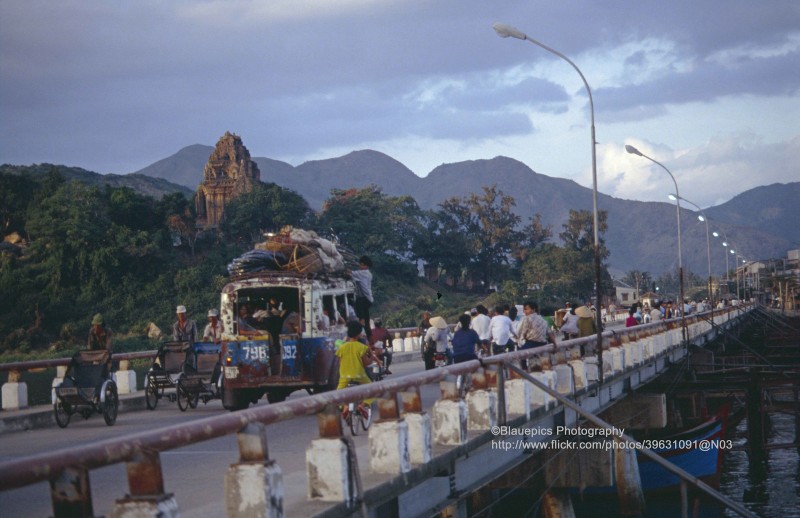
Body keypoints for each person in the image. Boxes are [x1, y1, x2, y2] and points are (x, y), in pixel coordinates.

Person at [336, 321, 379, 414]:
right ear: (359, 334)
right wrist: (372, 358)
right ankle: (362, 405)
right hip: (359, 375)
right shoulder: (361, 347)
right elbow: (366, 363)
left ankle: (344, 407)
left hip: (344, 376)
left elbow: (340, 362)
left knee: (337, 395)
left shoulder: (342, 347)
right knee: (373, 390)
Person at [350, 255, 374, 339]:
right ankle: (369, 336)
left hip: (363, 299)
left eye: (361, 264)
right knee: (367, 320)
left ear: (365, 266)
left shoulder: (363, 273)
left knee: (362, 319)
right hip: (368, 299)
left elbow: (350, 273)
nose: (359, 266)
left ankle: (361, 334)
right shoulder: (368, 274)